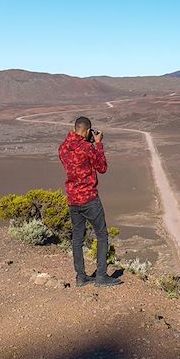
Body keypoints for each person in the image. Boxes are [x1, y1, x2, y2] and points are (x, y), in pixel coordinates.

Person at [58, 116, 121, 287]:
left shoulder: (63, 148)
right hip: (89, 198)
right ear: (87, 131)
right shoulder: (88, 148)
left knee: (77, 238)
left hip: (72, 199)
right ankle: (101, 276)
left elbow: (70, 149)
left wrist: (79, 138)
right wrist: (98, 144)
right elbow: (102, 168)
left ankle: (81, 277)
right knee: (101, 235)